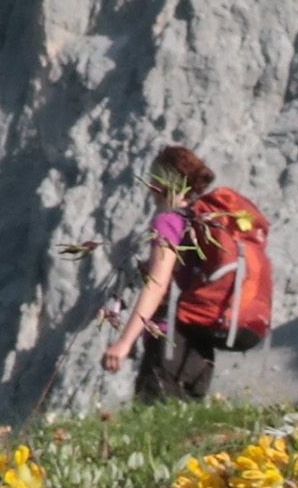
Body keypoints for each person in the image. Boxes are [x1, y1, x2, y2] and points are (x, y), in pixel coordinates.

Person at [101, 145, 270, 404]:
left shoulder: (168, 222)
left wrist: (124, 342)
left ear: (165, 183)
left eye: (154, 180)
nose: (149, 188)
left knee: (151, 428)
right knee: (182, 429)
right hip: (200, 345)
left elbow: (156, 286)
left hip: (168, 342)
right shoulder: (199, 221)